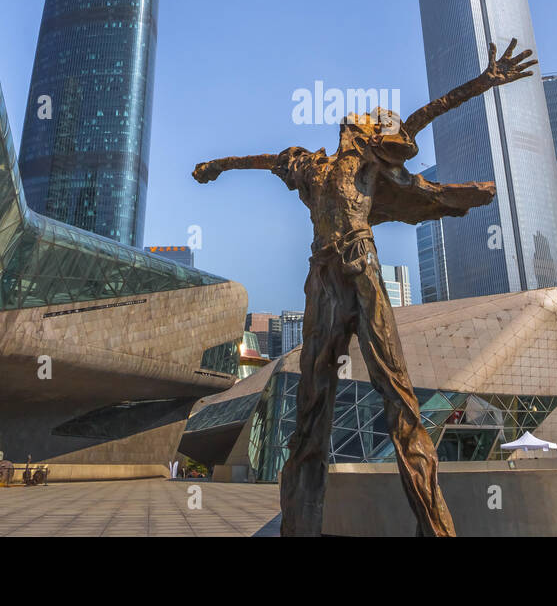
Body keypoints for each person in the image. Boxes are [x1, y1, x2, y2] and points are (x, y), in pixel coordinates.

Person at [194, 39, 537, 537]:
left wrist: (485, 81)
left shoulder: (370, 164)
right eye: (362, 120)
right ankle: (300, 526)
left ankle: (435, 529)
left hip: (362, 269)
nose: (362, 121)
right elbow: (262, 159)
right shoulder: (311, 166)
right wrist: (216, 166)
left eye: (369, 121)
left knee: (398, 398)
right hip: (323, 283)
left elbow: (420, 117)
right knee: (311, 409)